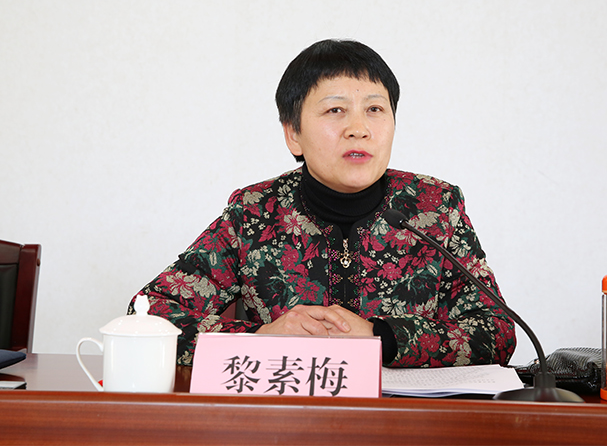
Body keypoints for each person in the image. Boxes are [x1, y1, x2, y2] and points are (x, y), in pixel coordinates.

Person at [128, 39, 516, 367]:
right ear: (293, 134)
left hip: (404, 421)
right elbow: (147, 314)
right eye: (335, 110)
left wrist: (382, 337)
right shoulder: (254, 213)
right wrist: (262, 337)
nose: (359, 129)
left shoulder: (434, 207)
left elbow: (498, 332)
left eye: (375, 110)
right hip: (292, 419)